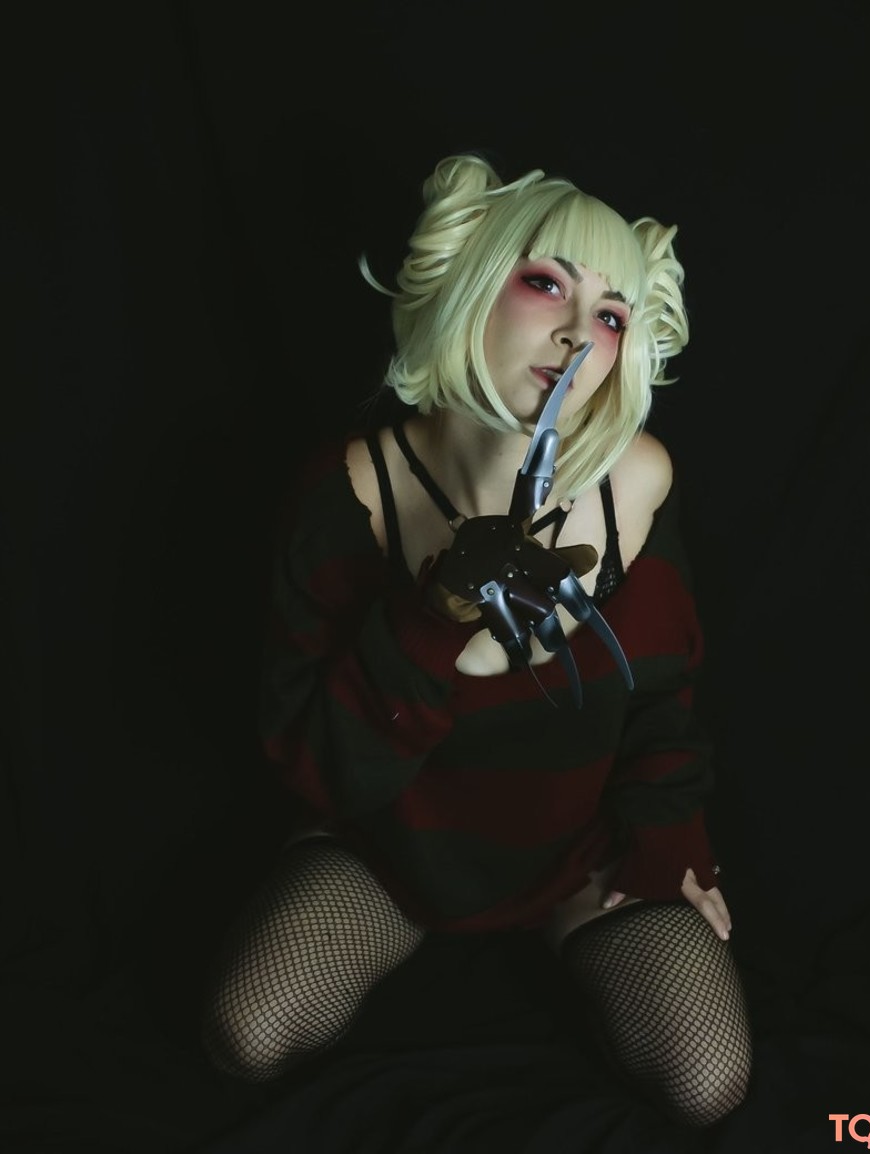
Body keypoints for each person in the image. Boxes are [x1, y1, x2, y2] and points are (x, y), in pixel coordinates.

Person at [199, 151, 753, 1129]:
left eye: (611, 315)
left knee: (708, 1081)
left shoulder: (637, 483)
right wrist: (429, 619)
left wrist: (669, 841)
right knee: (249, 1034)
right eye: (547, 284)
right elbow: (315, 760)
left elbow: (664, 699)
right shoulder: (349, 492)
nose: (579, 332)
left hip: (580, 854)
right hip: (395, 847)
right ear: (469, 284)